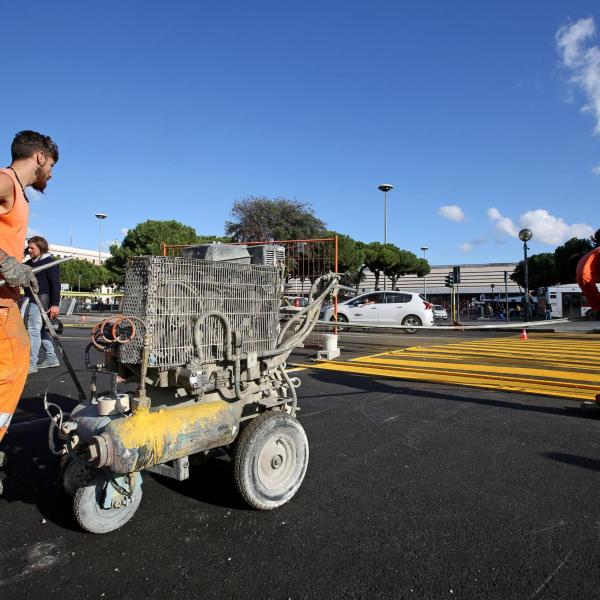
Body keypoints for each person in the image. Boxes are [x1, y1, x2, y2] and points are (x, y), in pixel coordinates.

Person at [0, 130, 58, 453]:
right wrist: (6, 263)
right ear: (39, 157)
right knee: (11, 370)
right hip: (1, 304)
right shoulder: (7, 181)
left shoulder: (18, 194)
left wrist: (19, 269)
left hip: (8, 300)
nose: (50, 174)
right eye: (51, 165)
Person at [24, 236, 61, 374]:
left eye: (32, 247)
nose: (29, 250)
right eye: (28, 247)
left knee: (33, 330)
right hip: (31, 298)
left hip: (41, 299)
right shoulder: (30, 262)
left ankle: (31, 364)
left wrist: (55, 304)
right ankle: (51, 358)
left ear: (41, 248)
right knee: (39, 331)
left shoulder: (50, 262)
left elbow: (55, 285)